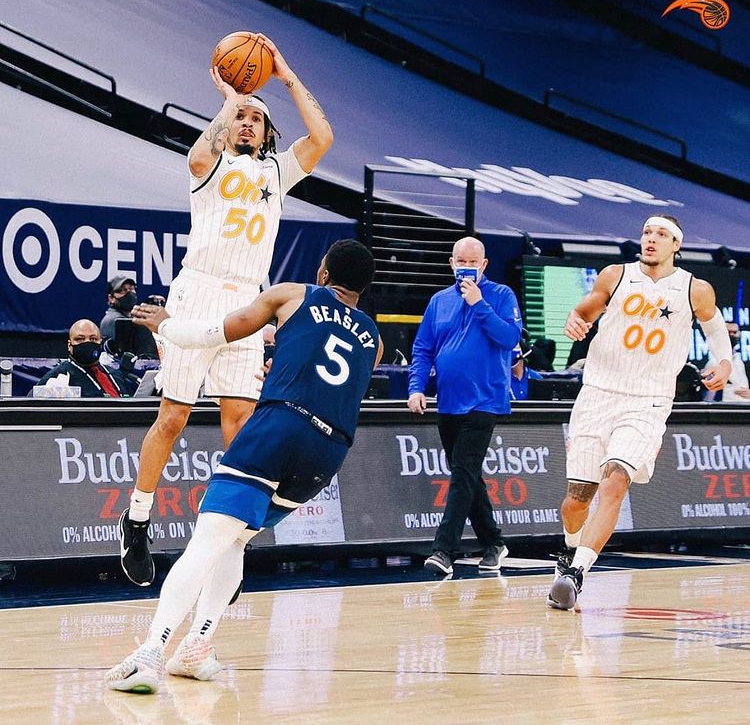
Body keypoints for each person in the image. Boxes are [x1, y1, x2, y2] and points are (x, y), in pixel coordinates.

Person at [104, 239, 382, 693]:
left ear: (324, 274)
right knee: (237, 538)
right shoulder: (375, 339)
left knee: (208, 540)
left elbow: (216, 333)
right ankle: (197, 646)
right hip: (327, 452)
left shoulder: (293, 294)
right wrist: (284, 369)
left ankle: (151, 651)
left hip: (280, 426)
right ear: (363, 289)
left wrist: (166, 323)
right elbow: (334, 381)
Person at [118, 33, 333, 587]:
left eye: (256, 118)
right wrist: (229, 101)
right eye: (241, 116)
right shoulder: (212, 165)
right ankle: (137, 519)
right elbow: (196, 156)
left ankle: (227, 540)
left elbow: (323, 137)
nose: (247, 122)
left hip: (247, 301)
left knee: (239, 421)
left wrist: (285, 75)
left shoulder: (277, 173)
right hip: (199, 290)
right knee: (174, 416)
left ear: (267, 132)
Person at [548, 215, 732, 610]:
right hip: (598, 394)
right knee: (577, 501)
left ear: (676, 245)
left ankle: (577, 573)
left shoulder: (694, 288)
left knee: (616, 481)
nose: (651, 239)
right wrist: (573, 321)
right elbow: (583, 312)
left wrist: (725, 363)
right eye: (647, 232)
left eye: (661, 234)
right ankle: (569, 549)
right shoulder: (616, 275)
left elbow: (716, 328)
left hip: (648, 400)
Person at [407, 236, 522, 576]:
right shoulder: (438, 301)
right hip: (448, 401)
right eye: (461, 261)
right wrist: (416, 388)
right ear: (451, 263)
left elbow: (510, 338)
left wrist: (479, 304)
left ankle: (444, 550)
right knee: (467, 475)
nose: (466, 267)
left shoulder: (501, 295)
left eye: (473, 262)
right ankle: (494, 542)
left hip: (486, 399)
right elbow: (423, 349)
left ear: (484, 265)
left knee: (461, 475)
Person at [34, 319, 132, 397]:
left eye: (93, 339)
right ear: (69, 345)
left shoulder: (116, 375)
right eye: (80, 339)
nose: (87, 343)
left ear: (100, 343)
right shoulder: (58, 378)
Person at [100, 274, 160, 359]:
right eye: (123, 290)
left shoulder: (131, 317)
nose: (129, 293)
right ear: (111, 298)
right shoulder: (112, 320)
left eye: (131, 289)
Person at [713, 322, 750, 402]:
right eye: (729, 332)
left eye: (735, 332)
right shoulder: (715, 361)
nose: (732, 335)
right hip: (727, 406)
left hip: (745, 405)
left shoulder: (740, 360)